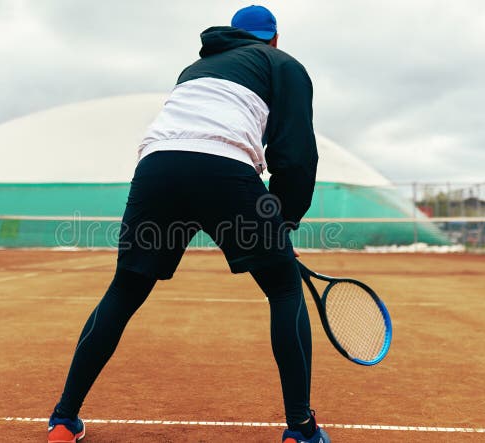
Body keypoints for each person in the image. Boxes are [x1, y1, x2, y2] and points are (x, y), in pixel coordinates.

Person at [47, 5, 329, 443]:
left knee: (124, 289)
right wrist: (285, 219)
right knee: (284, 286)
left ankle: (63, 420)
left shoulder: (194, 69)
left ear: (233, 35)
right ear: (274, 38)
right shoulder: (283, 63)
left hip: (157, 168)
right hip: (226, 168)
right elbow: (296, 155)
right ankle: (301, 429)